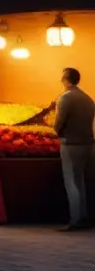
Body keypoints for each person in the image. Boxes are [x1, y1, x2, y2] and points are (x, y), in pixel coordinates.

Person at [54, 67, 95, 231]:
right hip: (87, 143)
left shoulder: (65, 98)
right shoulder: (87, 98)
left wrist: (55, 131)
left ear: (65, 79)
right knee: (81, 182)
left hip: (70, 144)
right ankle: (84, 216)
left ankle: (75, 218)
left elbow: (59, 123)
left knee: (71, 182)